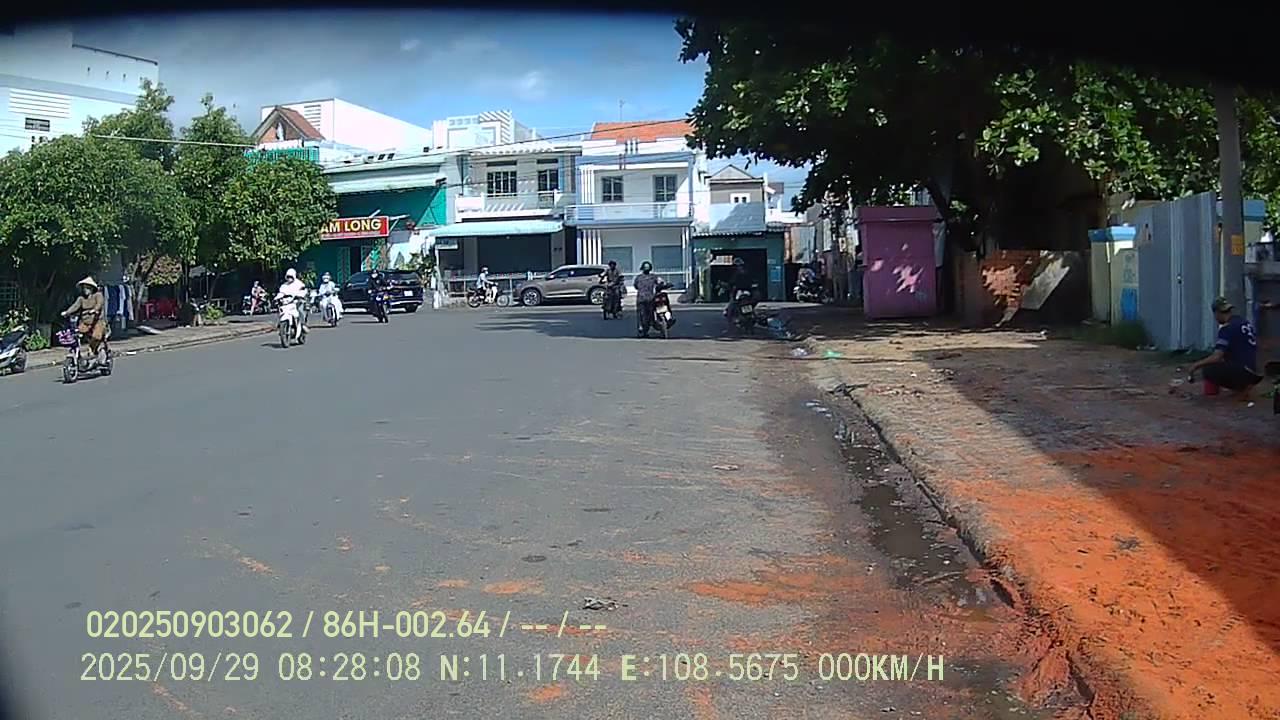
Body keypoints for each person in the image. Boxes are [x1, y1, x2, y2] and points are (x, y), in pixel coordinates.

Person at [1188, 296, 1262, 397]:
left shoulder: (1227, 328)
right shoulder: (1244, 322)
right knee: (1226, 360)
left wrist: (1195, 365)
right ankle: (1243, 385)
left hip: (1243, 372)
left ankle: (1241, 387)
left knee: (1208, 369)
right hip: (1255, 371)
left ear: (1217, 313)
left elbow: (1217, 357)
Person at [60, 276, 109, 364]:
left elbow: (99, 303)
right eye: (84, 288)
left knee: (96, 336)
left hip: (97, 321)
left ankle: (93, 349)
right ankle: (78, 354)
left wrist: (94, 310)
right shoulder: (81, 299)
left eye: (87, 288)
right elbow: (75, 306)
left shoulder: (98, 295)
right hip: (85, 322)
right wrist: (67, 312)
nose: (85, 290)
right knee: (75, 334)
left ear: (92, 288)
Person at [633, 261, 663, 337]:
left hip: (641, 298)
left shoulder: (638, 277)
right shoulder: (653, 276)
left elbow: (636, 286)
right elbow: (660, 282)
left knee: (642, 315)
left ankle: (642, 328)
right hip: (650, 298)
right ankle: (645, 328)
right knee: (649, 314)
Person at [276, 268, 309, 335]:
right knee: (281, 311)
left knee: (300, 311)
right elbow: (281, 293)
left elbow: (303, 290)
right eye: (288, 277)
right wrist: (277, 298)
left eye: (291, 277)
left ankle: (302, 325)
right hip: (287, 302)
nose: (289, 278)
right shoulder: (284, 285)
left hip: (297, 301)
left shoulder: (299, 283)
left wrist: (299, 295)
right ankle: (281, 325)